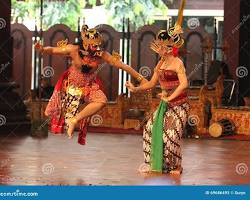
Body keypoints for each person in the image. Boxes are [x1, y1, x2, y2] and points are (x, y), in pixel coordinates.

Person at [35, 25, 146, 144]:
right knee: (62, 113)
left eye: (98, 45)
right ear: (86, 43)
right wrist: (42, 49)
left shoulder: (101, 55)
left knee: (102, 100)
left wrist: (141, 78)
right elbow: (52, 50)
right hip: (71, 86)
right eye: (94, 45)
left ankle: (74, 120)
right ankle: (69, 120)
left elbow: (123, 66)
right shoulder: (74, 50)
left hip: (89, 87)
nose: (97, 47)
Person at [126, 0, 189, 175]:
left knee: (171, 135)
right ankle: (150, 162)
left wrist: (170, 97)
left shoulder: (177, 62)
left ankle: (175, 166)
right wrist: (136, 88)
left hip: (179, 104)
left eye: (161, 46)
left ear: (168, 48)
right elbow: (151, 83)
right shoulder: (160, 63)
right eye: (158, 45)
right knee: (149, 129)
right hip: (165, 105)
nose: (158, 48)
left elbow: (184, 84)